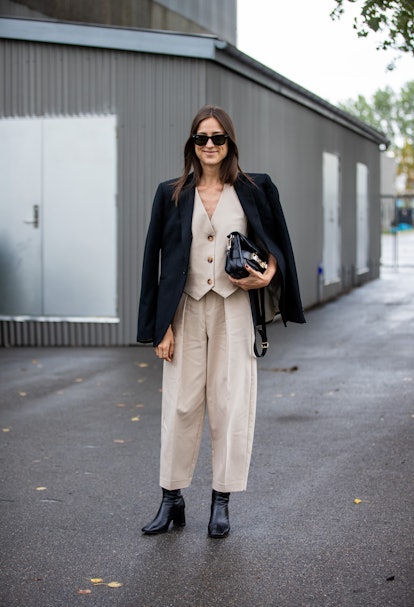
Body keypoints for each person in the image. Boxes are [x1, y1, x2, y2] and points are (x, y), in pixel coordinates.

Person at [137, 105, 305, 538]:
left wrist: (268, 274)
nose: (209, 145)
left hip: (234, 309)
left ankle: (221, 500)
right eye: (201, 138)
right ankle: (171, 498)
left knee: (231, 406)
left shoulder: (255, 189)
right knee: (181, 405)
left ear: (229, 143)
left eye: (217, 138)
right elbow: (153, 261)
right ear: (191, 145)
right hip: (186, 309)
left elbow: (278, 246)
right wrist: (160, 327)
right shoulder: (169, 193)